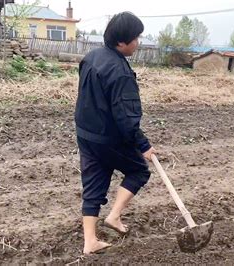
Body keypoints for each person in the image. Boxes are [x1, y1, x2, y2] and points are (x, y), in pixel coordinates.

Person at [74, 11, 156, 255]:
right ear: (122, 41)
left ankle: (90, 241)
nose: (138, 43)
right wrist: (144, 146)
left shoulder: (91, 57)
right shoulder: (120, 72)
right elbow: (126, 117)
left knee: (93, 186)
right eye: (136, 38)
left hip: (86, 133)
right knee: (139, 170)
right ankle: (114, 216)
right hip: (108, 138)